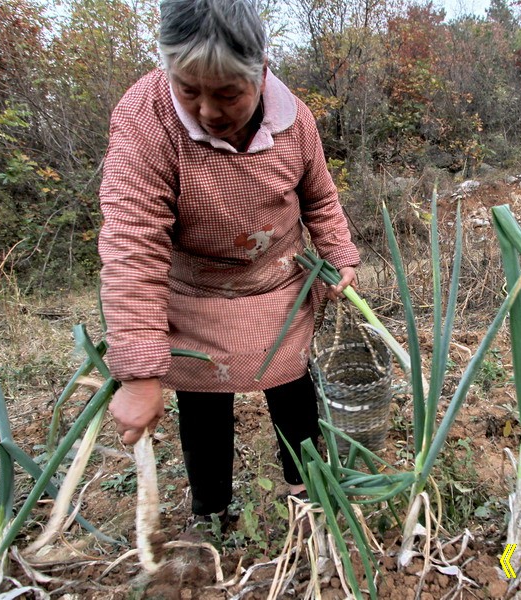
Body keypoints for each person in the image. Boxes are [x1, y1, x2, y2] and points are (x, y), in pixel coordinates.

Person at [98, 0, 359, 535]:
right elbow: (132, 242)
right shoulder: (145, 118)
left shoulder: (294, 119)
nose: (208, 112)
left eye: (227, 94)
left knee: (292, 391)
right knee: (203, 404)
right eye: (189, 90)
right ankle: (211, 514)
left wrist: (337, 253)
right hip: (195, 292)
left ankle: (306, 497)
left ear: (261, 71)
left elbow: (320, 196)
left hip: (276, 284)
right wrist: (141, 371)